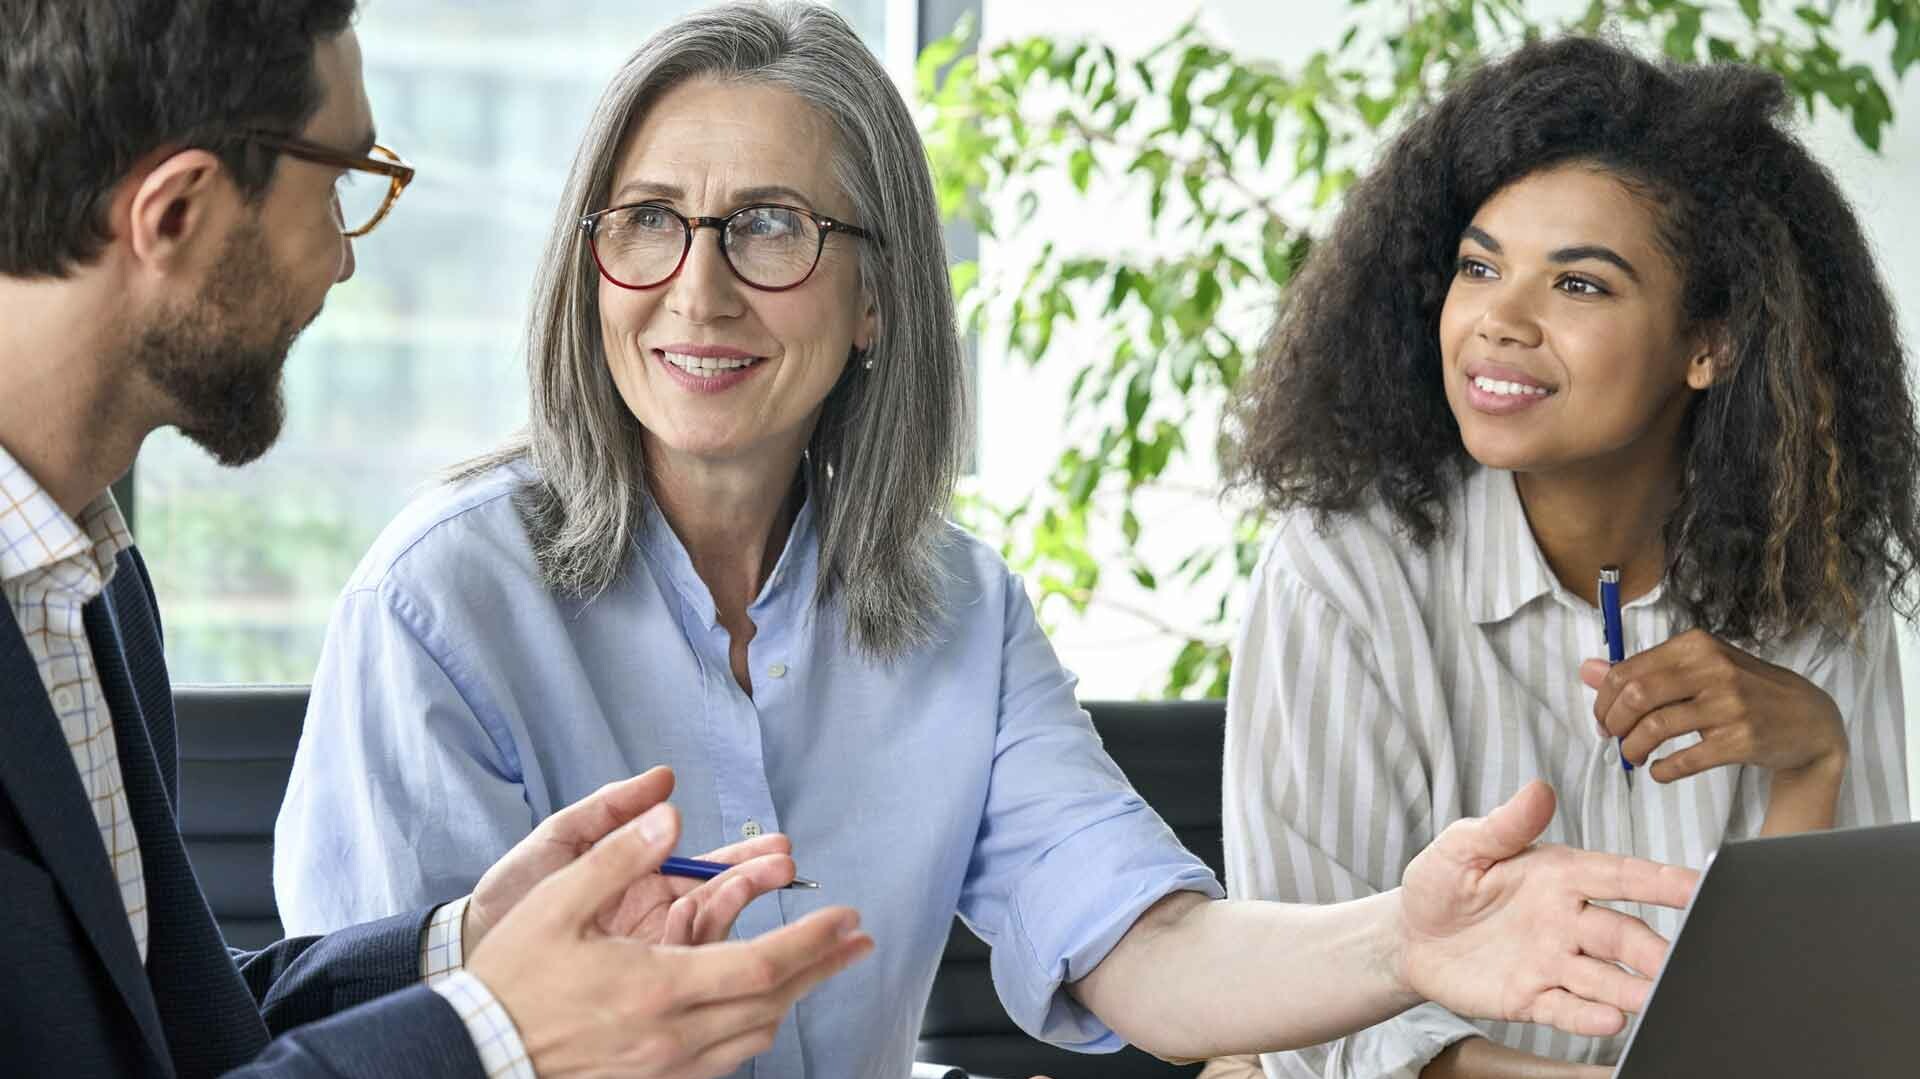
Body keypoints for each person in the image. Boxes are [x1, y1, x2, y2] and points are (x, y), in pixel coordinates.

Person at [274, 6, 1700, 1077]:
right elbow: (398, 1040)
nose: (696, 288)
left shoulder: (958, 604)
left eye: (769, 227)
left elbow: (1143, 946)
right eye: (648, 221)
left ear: (879, 297)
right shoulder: (441, 601)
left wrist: (1407, 940)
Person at [0, 2, 878, 1075]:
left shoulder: (84, 583)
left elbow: (172, 1034)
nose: (342, 263)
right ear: (178, 211)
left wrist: (468, 942)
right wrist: (498, 1037)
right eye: (336, 188)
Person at [1205, 34, 1914, 1079]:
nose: (1499, 318)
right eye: (1479, 265)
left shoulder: (1808, 568)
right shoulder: (1344, 573)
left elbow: (1835, 1013)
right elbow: (1301, 1022)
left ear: (1709, 342)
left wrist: (1809, 761)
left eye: (1579, 285)